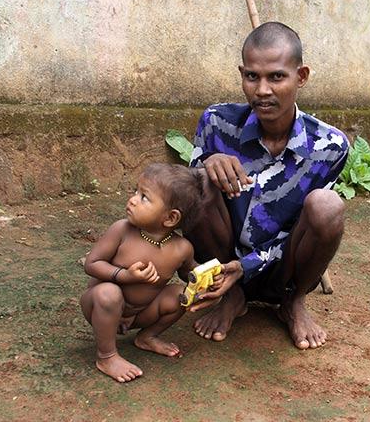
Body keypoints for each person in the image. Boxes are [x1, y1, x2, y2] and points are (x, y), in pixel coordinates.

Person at [185, 21, 349, 350]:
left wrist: (246, 267)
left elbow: (299, 231)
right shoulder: (217, 122)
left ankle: (293, 302)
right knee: (197, 180)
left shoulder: (329, 146)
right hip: (221, 258)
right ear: (242, 74)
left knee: (328, 206)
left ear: (300, 77)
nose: (262, 90)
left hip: (281, 265)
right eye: (252, 76)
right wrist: (205, 163)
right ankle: (232, 296)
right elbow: (181, 197)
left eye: (276, 76)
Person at [79, 163, 218, 382]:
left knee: (181, 295)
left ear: (171, 218)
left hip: (143, 312)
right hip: (102, 307)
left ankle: (147, 336)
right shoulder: (122, 230)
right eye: (136, 191)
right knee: (108, 293)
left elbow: (188, 274)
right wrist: (124, 276)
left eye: (144, 197)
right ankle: (106, 355)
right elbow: (92, 263)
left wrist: (206, 278)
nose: (133, 199)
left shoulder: (182, 248)